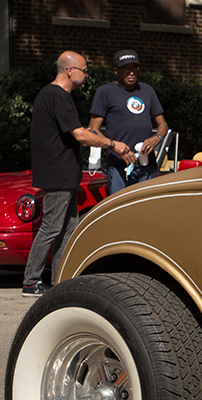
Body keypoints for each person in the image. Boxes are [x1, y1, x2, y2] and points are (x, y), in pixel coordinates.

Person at [23, 52, 135, 296]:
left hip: (65, 174)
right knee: (52, 227)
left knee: (68, 229)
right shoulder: (57, 95)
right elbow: (80, 135)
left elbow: (74, 131)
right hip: (58, 174)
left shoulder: (52, 96)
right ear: (69, 71)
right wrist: (113, 144)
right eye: (84, 71)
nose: (86, 76)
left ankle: (60, 281)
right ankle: (31, 281)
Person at [89, 49, 169, 193]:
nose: (131, 72)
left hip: (147, 165)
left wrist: (156, 138)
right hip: (119, 165)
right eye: (125, 69)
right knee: (121, 212)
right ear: (115, 70)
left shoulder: (147, 90)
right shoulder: (105, 92)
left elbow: (162, 124)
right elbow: (93, 130)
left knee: (147, 210)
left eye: (134, 68)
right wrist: (115, 147)